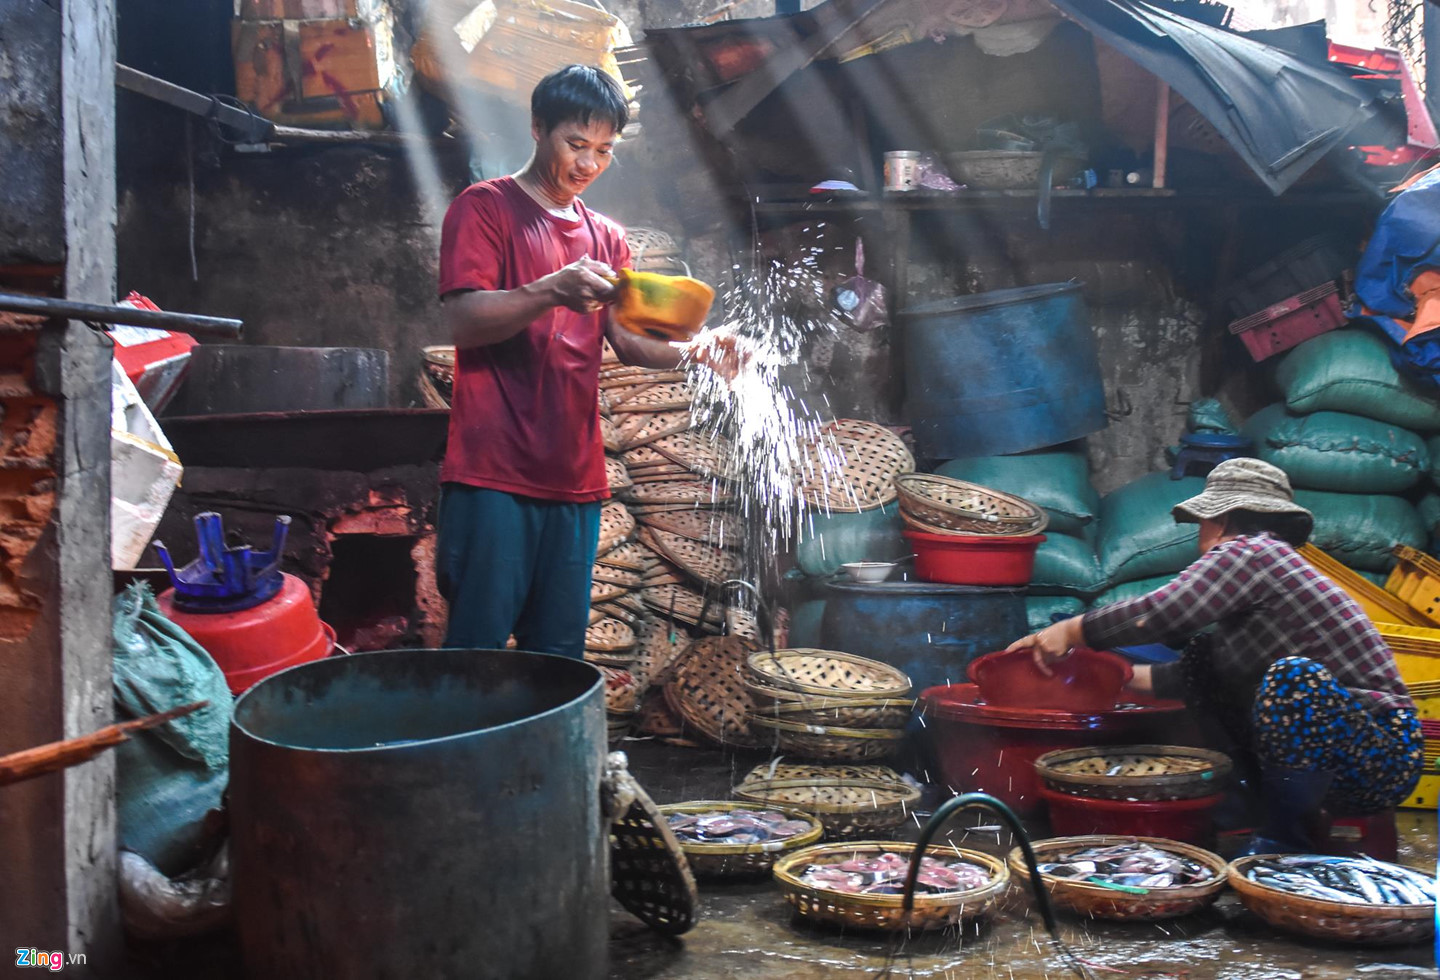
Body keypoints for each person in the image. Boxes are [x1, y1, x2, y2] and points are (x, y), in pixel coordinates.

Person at [435, 65, 733, 658]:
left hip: (575, 474)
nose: (588, 164)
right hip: (493, 470)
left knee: (560, 654)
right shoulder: (484, 208)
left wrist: (701, 352)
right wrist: (550, 289)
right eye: (576, 144)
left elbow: (629, 343)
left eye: (604, 150)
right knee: (477, 651)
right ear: (537, 127)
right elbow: (464, 321)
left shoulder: (607, 238)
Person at [1007, 458, 1423, 854]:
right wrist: (1102, 678)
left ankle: (1286, 841)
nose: (1199, 536)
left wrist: (1070, 631)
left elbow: (1162, 613)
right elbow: (1190, 678)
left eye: (1202, 523)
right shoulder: (1269, 568)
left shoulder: (1253, 553)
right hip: (1351, 754)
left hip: (1381, 759)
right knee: (1206, 658)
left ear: (1221, 520)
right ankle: (1248, 817)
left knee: (1293, 679)